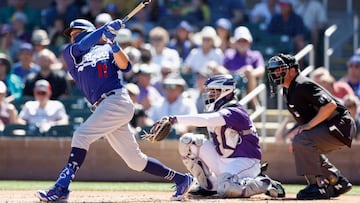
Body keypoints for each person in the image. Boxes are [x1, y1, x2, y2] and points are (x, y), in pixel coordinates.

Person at [35, 18, 194, 202]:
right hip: (103, 107)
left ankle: (61, 187)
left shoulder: (106, 48)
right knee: (135, 161)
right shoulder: (71, 53)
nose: (73, 37)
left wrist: (114, 43)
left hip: (116, 100)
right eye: (71, 34)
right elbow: (84, 45)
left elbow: (126, 66)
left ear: (88, 31)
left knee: (81, 135)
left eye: (77, 32)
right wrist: (105, 29)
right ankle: (182, 179)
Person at [148, 74, 285, 199]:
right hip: (222, 159)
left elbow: (208, 120)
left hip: (245, 162)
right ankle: (208, 186)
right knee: (187, 141)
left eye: (214, 91)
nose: (210, 95)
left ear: (226, 91)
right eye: (210, 91)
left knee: (226, 188)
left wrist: (174, 119)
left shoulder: (235, 111)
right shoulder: (220, 110)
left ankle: (263, 182)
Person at [266, 53, 355, 200]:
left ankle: (317, 186)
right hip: (331, 125)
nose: (275, 73)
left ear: (292, 71)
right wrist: (300, 139)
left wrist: (305, 131)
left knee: (302, 142)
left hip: (340, 124)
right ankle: (337, 181)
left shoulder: (302, 84)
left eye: (279, 69)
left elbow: (330, 105)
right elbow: (306, 118)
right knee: (302, 144)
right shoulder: (289, 89)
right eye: (274, 70)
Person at [223, 26, 265, 108]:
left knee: (249, 71)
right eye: (239, 41)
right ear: (235, 43)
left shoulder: (256, 55)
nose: (242, 43)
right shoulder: (228, 54)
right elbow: (221, 69)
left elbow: (261, 70)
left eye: (244, 41)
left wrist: (249, 73)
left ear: (249, 42)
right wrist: (239, 73)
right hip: (231, 82)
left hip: (247, 83)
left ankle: (254, 104)